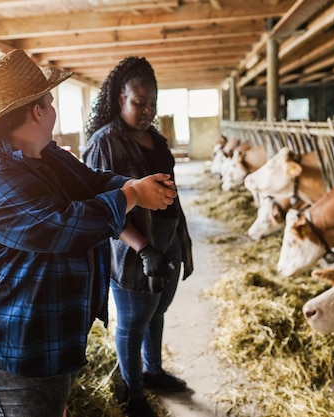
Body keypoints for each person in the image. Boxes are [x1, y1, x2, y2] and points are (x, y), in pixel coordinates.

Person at [0, 49, 179, 417]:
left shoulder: (47, 155)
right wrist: (132, 195)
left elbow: (93, 181)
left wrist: (132, 184)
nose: (52, 109)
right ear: (38, 110)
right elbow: (55, 226)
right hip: (5, 345)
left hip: (44, 336)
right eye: (49, 102)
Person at [82, 56, 194, 417]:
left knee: (156, 311)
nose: (147, 111)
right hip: (133, 252)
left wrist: (173, 244)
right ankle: (132, 393)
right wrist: (144, 248)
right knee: (132, 324)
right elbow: (101, 205)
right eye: (138, 103)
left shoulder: (157, 140)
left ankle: (153, 372)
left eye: (152, 104)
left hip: (168, 242)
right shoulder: (106, 143)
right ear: (119, 99)